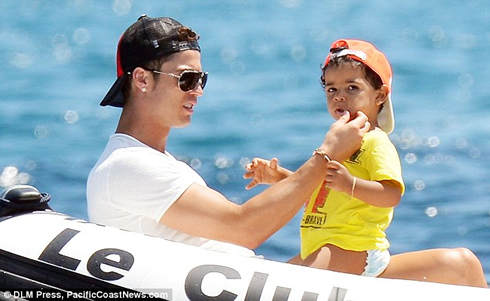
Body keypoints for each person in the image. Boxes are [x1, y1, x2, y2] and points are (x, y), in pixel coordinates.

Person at [86, 15, 368, 259]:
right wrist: (327, 155)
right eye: (186, 79)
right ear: (142, 80)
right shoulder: (127, 165)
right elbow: (242, 229)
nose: (198, 91)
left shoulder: (152, 161)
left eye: (201, 79)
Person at [243, 39, 488, 287]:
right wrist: (280, 177)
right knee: (269, 279)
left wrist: (349, 184)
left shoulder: (375, 142)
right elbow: (320, 191)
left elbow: (391, 194)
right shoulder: (339, 141)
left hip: (352, 249)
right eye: (331, 89)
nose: (339, 97)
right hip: (325, 247)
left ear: (380, 95)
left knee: (274, 285)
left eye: (351, 88)